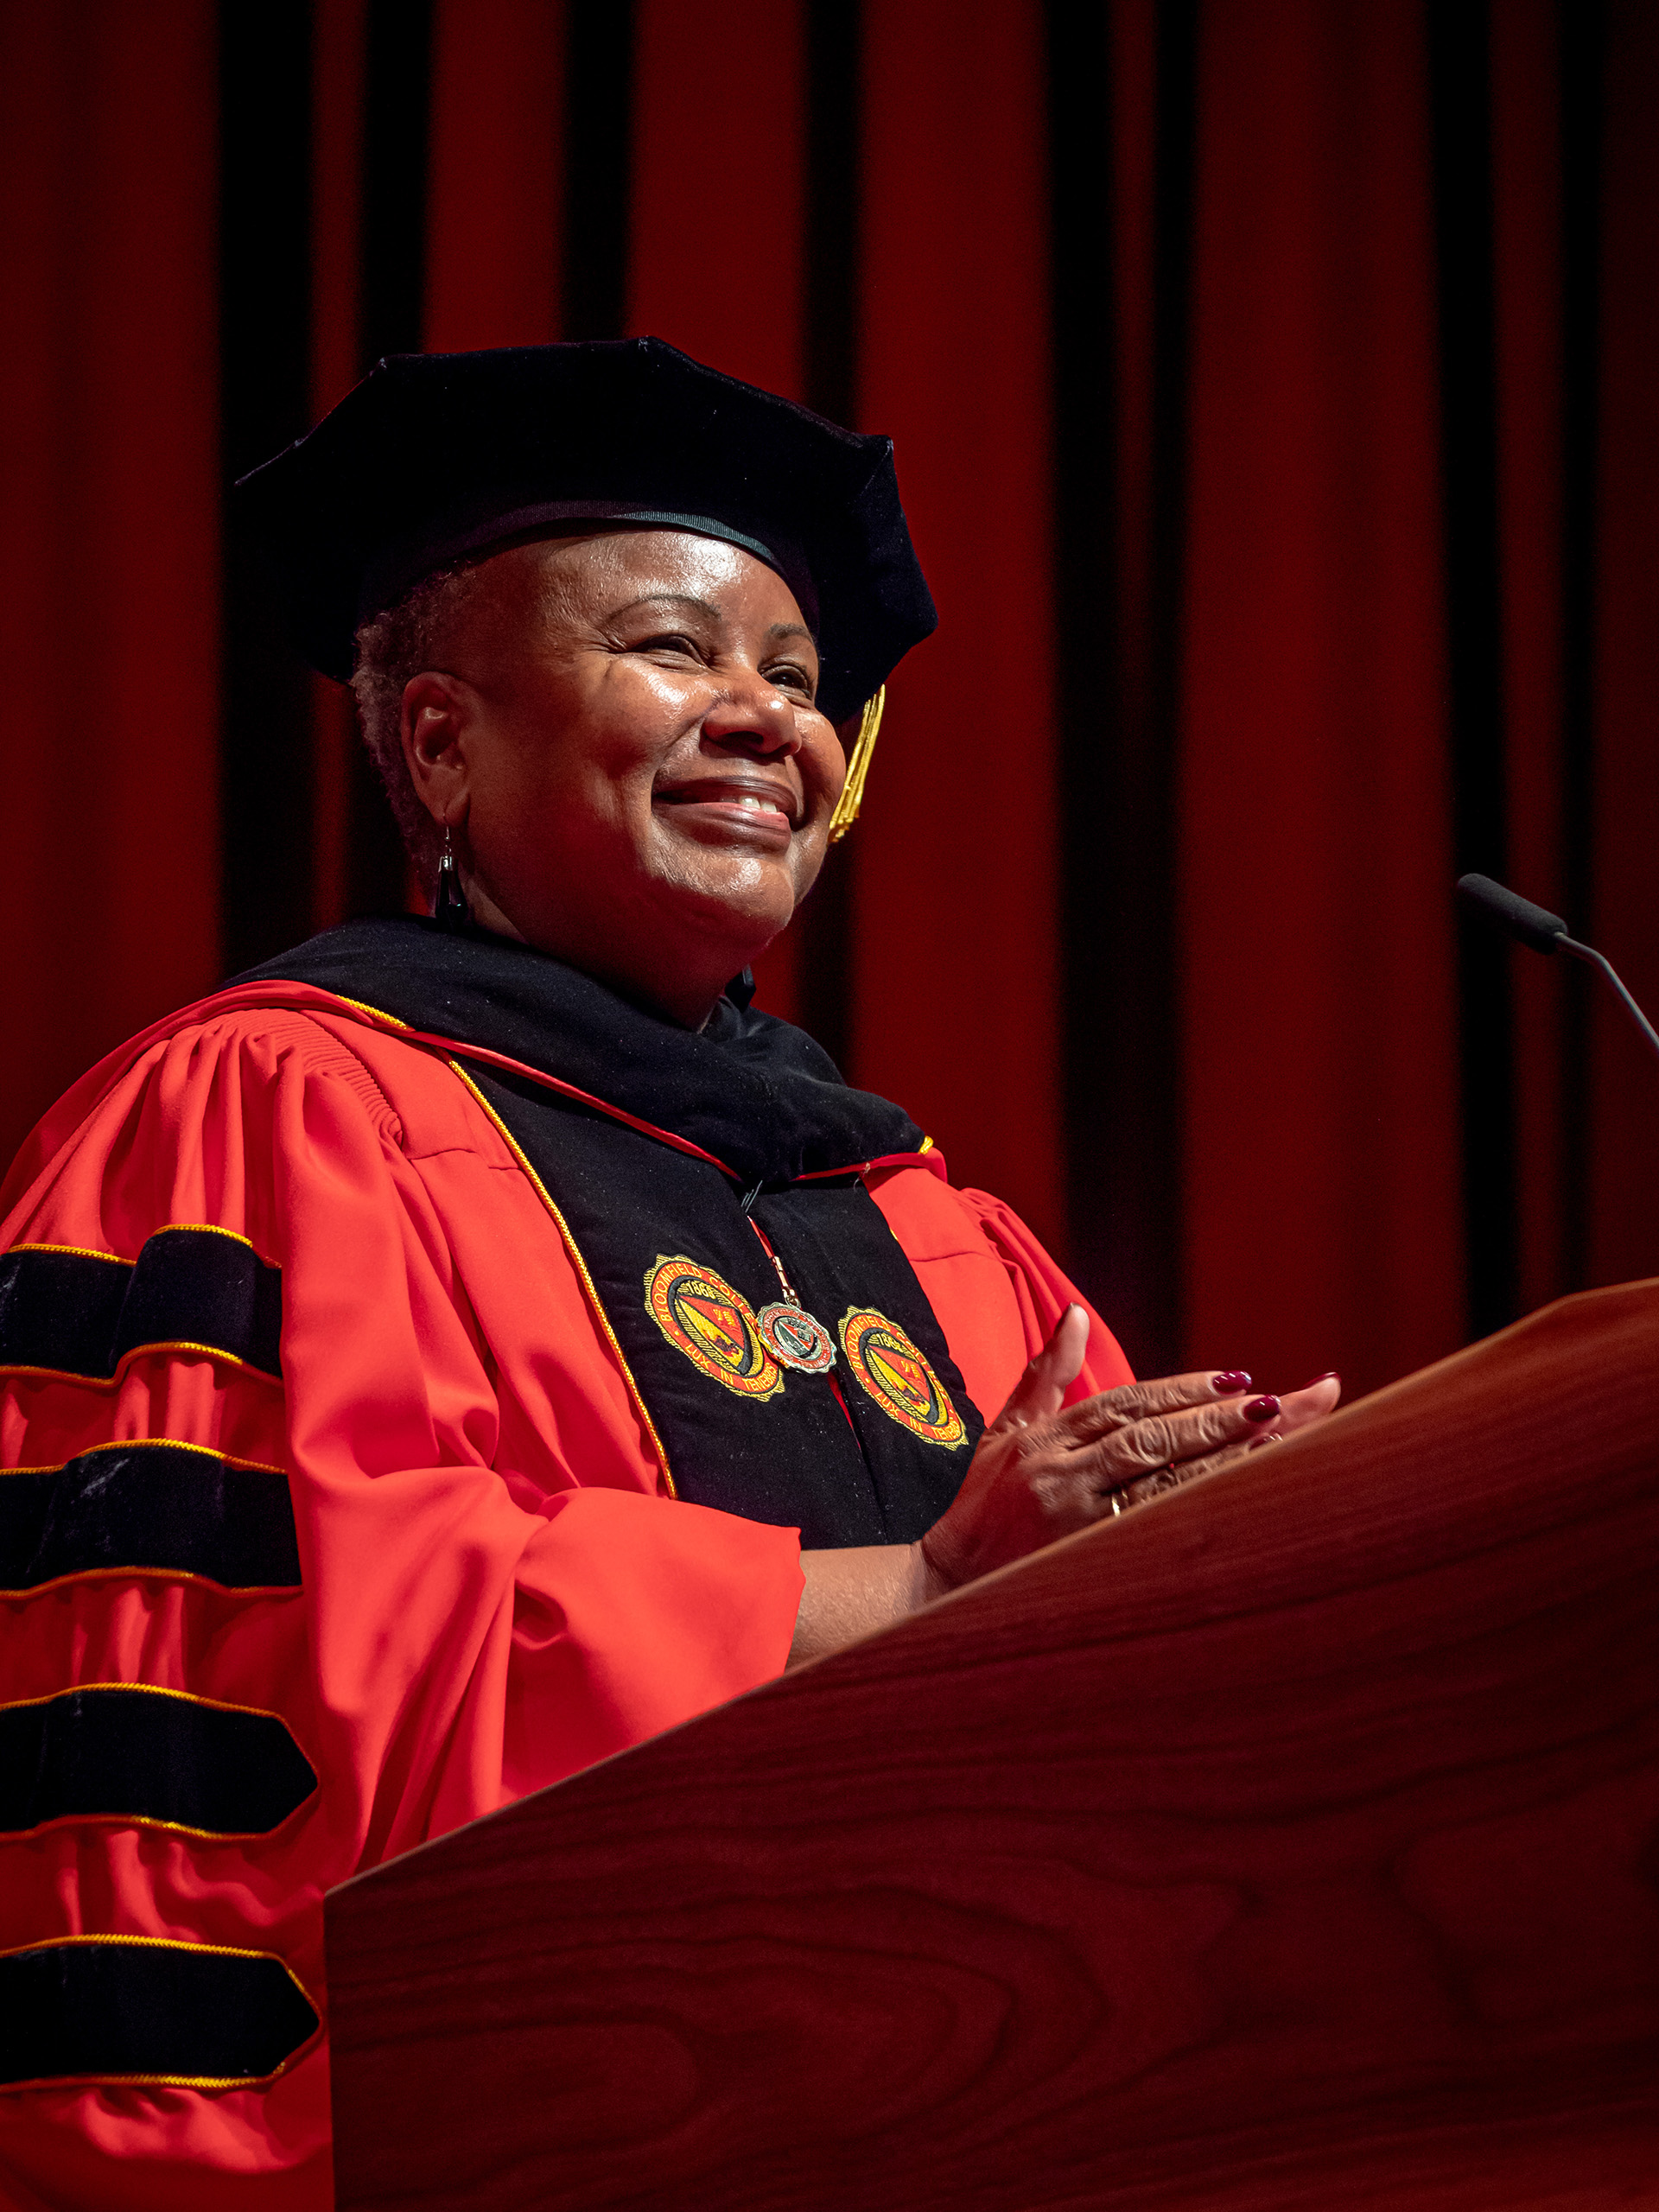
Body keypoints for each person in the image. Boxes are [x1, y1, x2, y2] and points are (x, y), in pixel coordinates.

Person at [0, 339, 1339, 2209]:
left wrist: (1262, 1553)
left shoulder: (935, 1223)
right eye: (672, 648)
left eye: (795, 679)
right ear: (445, 744)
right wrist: (932, 1578)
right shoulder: (267, 1110)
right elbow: (328, 1674)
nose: (764, 717)